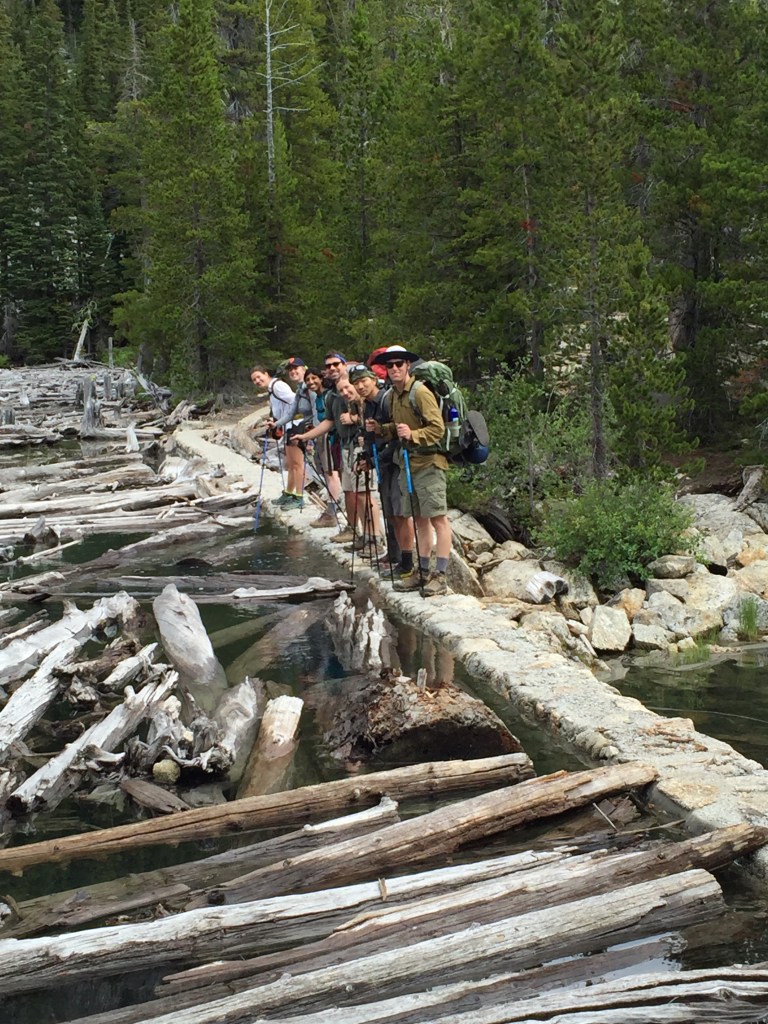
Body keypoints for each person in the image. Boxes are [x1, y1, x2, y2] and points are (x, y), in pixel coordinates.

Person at [366, 345, 451, 597]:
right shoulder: (393, 395)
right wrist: (381, 429)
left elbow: (438, 429)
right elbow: (398, 426)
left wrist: (412, 434)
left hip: (429, 464)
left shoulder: (420, 392)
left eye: (399, 364)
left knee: (438, 519)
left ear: (408, 366)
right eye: (390, 365)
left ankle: (440, 576)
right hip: (408, 465)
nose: (394, 369)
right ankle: (422, 572)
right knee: (420, 520)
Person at [292, 352, 382, 548]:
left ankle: (374, 538)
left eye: (336, 364)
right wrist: (306, 437)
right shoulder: (332, 395)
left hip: (361, 448)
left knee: (364, 494)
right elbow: (330, 421)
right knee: (351, 491)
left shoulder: (361, 393)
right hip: (346, 446)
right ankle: (360, 533)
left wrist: (355, 420)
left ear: (343, 365)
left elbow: (372, 419)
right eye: (329, 366)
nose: (332, 368)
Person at [349, 362, 413, 578]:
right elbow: (369, 436)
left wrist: (376, 460)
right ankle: (394, 555)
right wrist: (366, 456)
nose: (360, 386)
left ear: (373, 380)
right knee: (388, 510)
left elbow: (395, 436)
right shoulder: (366, 405)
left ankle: (406, 561)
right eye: (356, 383)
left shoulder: (386, 401)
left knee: (399, 512)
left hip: (394, 462)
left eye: (363, 381)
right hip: (382, 463)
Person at [249, 362, 304, 511]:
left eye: (259, 377)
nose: (257, 381)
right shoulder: (272, 389)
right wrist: (275, 421)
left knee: (297, 464)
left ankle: (299, 497)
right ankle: (289, 493)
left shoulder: (277, 386)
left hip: (295, 425)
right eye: (254, 380)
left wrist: (283, 419)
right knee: (291, 464)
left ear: (266, 374)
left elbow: (294, 401)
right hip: (288, 426)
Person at [304, 366, 342, 528]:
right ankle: (331, 509)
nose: (311, 382)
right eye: (308, 380)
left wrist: (308, 436)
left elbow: (330, 420)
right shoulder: (319, 396)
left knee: (331, 473)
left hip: (330, 438)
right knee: (329, 473)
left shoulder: (327, 396)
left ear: (321, 379)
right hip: (324, 437)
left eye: (314, 378)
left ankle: (332, 512)